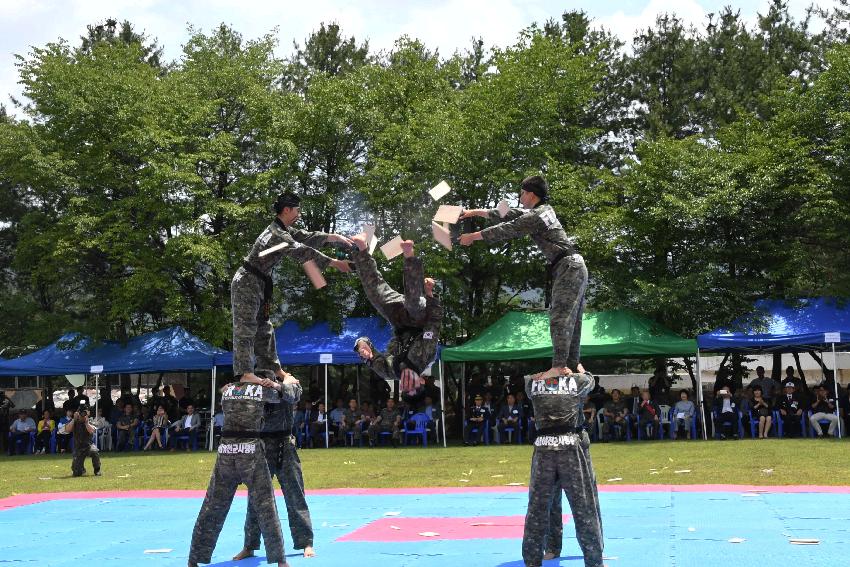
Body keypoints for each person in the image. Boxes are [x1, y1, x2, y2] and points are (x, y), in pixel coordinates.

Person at [460, 175, 587, 380]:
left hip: (568, 266)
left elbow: (507, 229)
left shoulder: (535, 217)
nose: (519, 197)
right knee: (573, 318)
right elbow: (505, 214)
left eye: (521, 193)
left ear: (531, 194)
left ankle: (560, 366)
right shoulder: (544, 211)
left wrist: (472, 237)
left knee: (560, 317)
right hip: (574, 266)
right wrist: (472, 212)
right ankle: (571, 363)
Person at [232, 191, 351, 386]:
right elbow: (301, 251)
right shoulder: (276, 234)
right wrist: (334, 263)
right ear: (286, 210)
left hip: (260, 283)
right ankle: (245, 372)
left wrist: (333, 237)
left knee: (264, 327)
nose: (299, 214)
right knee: (246, 327)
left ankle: (272, 369)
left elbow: (306, 237)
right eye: (297, 210)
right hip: (247, 281)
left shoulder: (284, 230)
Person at [188, 375, 287, 567]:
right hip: (250, 451)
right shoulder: (261, 390)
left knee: (212, 507)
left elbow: (225, 391)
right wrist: (278, 382)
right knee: (266, 505)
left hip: (226, 451)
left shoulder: (228, 389)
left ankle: (193, 559)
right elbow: (287, 395)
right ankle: (280, 560)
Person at [522, 364, 603, 567]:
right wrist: (579, 371)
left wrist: (545, 374)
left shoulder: (535, 384)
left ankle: (533, 560)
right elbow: (590, 380)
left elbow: (528, 381)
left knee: (538, 508)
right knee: (584, 506)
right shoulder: (576, 381)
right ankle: (594, 560)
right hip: (570, 448)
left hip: (545, 449)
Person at [235, 370, 316, 561]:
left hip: (284, 445)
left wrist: (281, 383)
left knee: (295, 494)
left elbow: (292, 395)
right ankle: (250, 545)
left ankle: (306, 542)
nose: (264, 382)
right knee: (256, 497)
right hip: (262, 446)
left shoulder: (290, 385)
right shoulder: (256, 391)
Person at [350, 237, 442, 395]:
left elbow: (366, 346)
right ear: (421, 380)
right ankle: (409, 256)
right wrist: (429, 295)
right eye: (412, 385)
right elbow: (433, 323)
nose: (407, 383)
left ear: (400, 388)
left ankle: (362, 250)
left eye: (405, 388)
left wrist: (362, 346)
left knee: (375, 295)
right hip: (419, 319)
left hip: (399, 322)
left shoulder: (387, 370)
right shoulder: (427, 355)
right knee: (413, 303)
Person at [65, 403, 101, 476]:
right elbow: (67, 430)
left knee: (95, 451)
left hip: (88, 446)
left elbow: (92, 431)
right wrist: (73, 420)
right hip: (78, 448)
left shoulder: (90, 421)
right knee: (77, 474)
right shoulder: (74, 421)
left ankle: (97, 470)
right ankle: (80, 469)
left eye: (84, 413)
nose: (82, 415)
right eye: (81, 413)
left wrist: (86, 423)